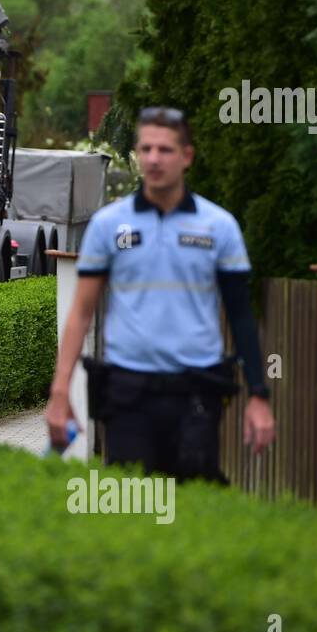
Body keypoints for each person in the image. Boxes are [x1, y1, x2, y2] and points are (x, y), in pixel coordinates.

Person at [45, 107, 275, 480]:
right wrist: (59, 392)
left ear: (187, 157)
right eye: (146, 149)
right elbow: (81, 312)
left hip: (196, 394)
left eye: (165, 150)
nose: (153, 159)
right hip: (127, 395)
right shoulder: (108, 225)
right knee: (132, 513)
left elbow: (241, 315)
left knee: (192, 515)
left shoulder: (219, 226)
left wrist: (259, 396)